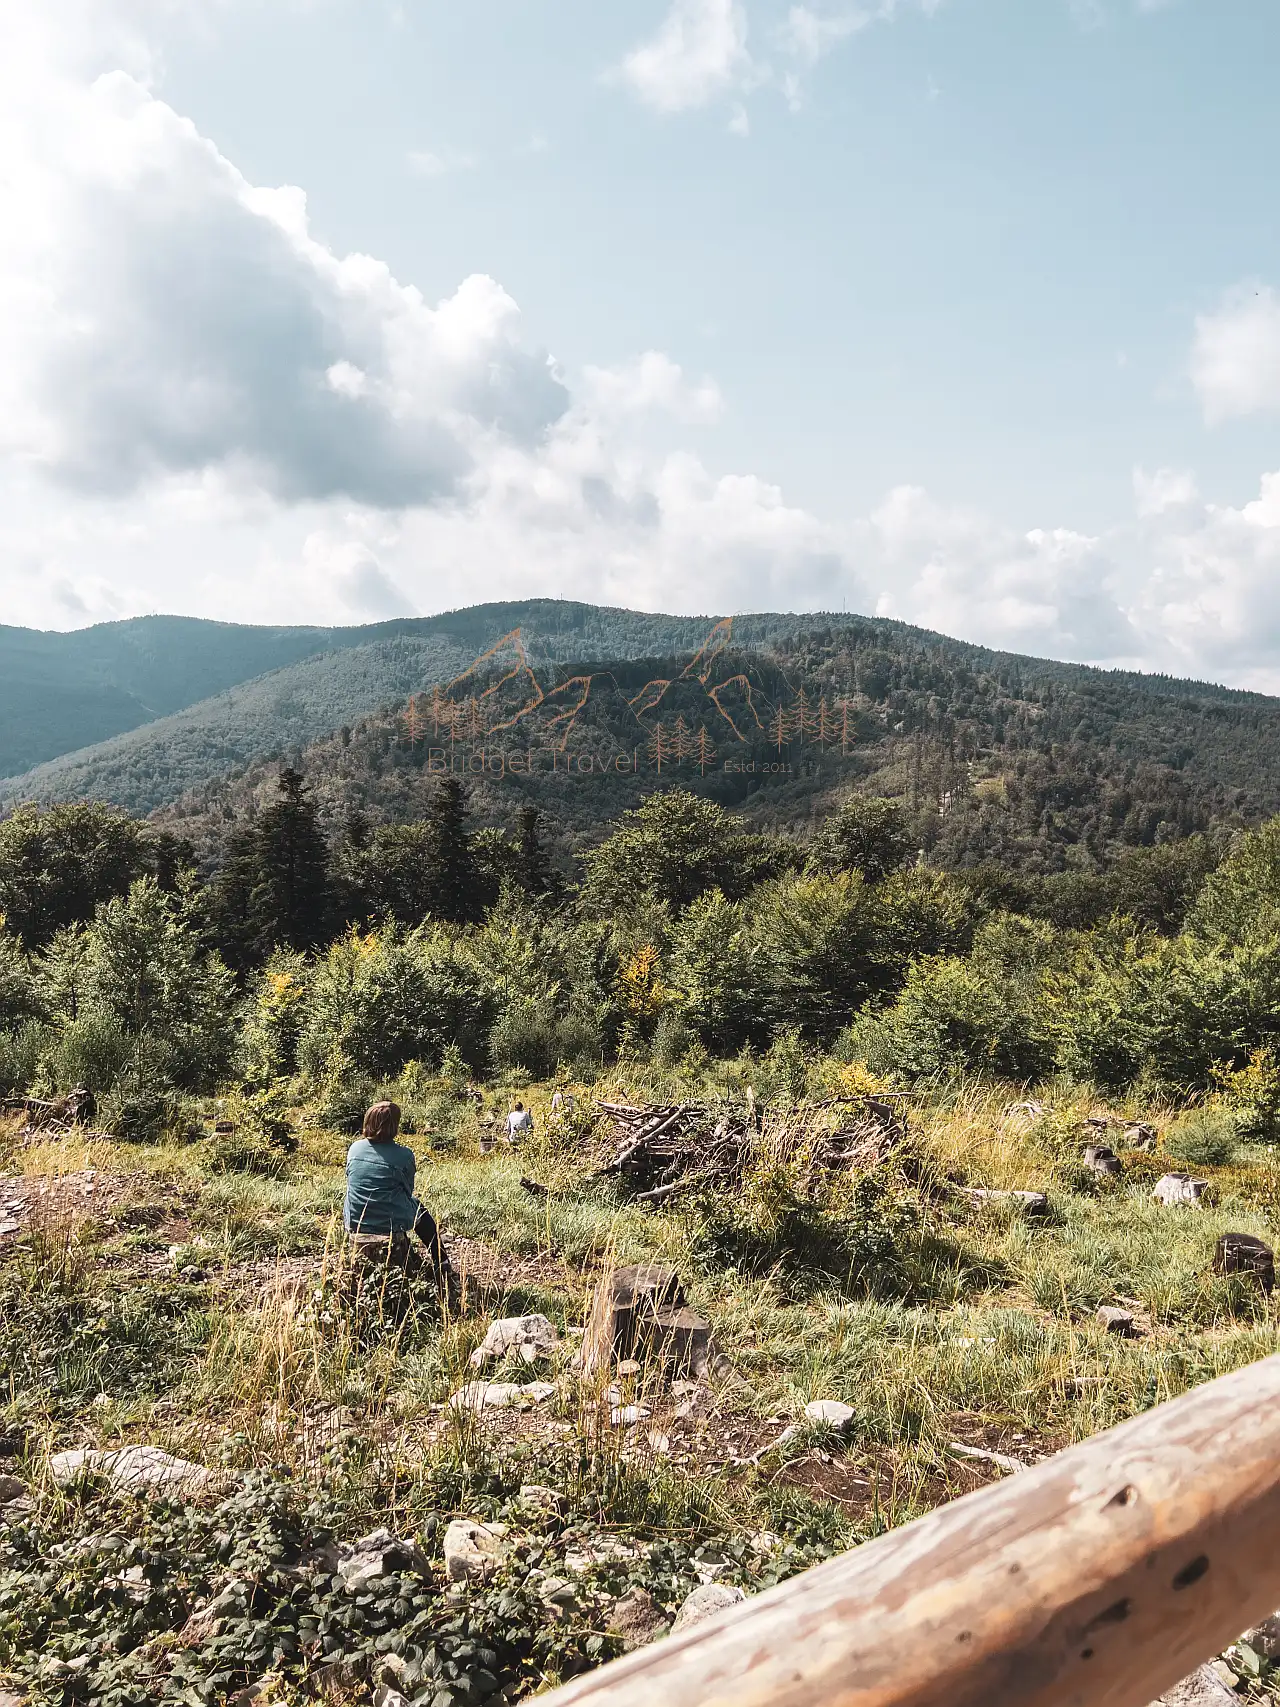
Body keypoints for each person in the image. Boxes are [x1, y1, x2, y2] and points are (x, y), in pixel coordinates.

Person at [344, 1100, 452, 1297]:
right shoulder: (404, 1155)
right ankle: (441, 1261)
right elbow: (408, 1190)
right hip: (389, 1223)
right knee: (418, 1208)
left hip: (355, 1220)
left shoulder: (354, 1149)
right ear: (394, 1126)